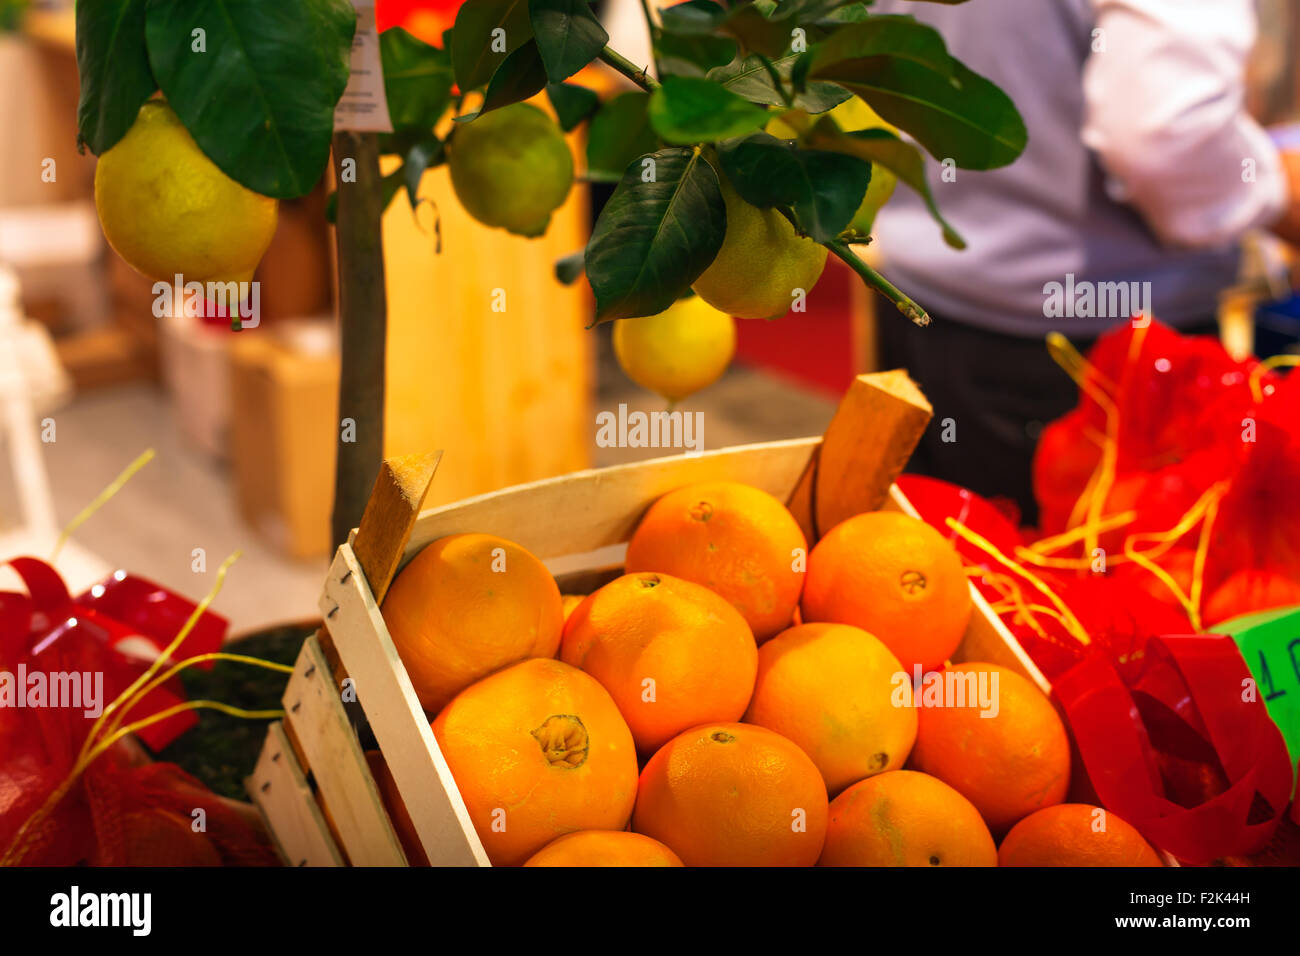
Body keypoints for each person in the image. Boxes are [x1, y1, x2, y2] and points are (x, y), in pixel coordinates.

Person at [867, 0, 1300, 525]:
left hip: (927, 302)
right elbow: (1164, 134)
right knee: (1074, 589)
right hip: (1090, 360)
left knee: (945, 576)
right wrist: (1275, 187)